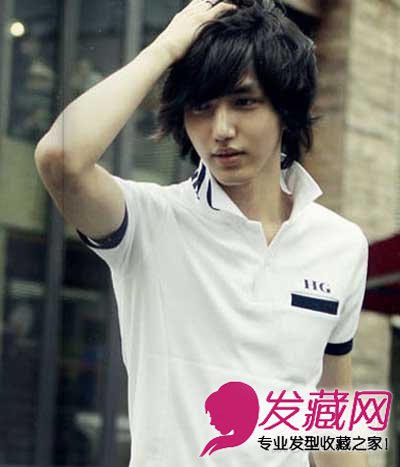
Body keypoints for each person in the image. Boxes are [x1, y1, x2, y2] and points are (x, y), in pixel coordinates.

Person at [34, 1, 369, 466]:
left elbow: (334, 412)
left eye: (244, 102)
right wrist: (165, 48)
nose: (221, 129)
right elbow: (60, 158)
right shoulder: (150, 222)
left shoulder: (342, 245)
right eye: (201, 107)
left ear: (286, 109)